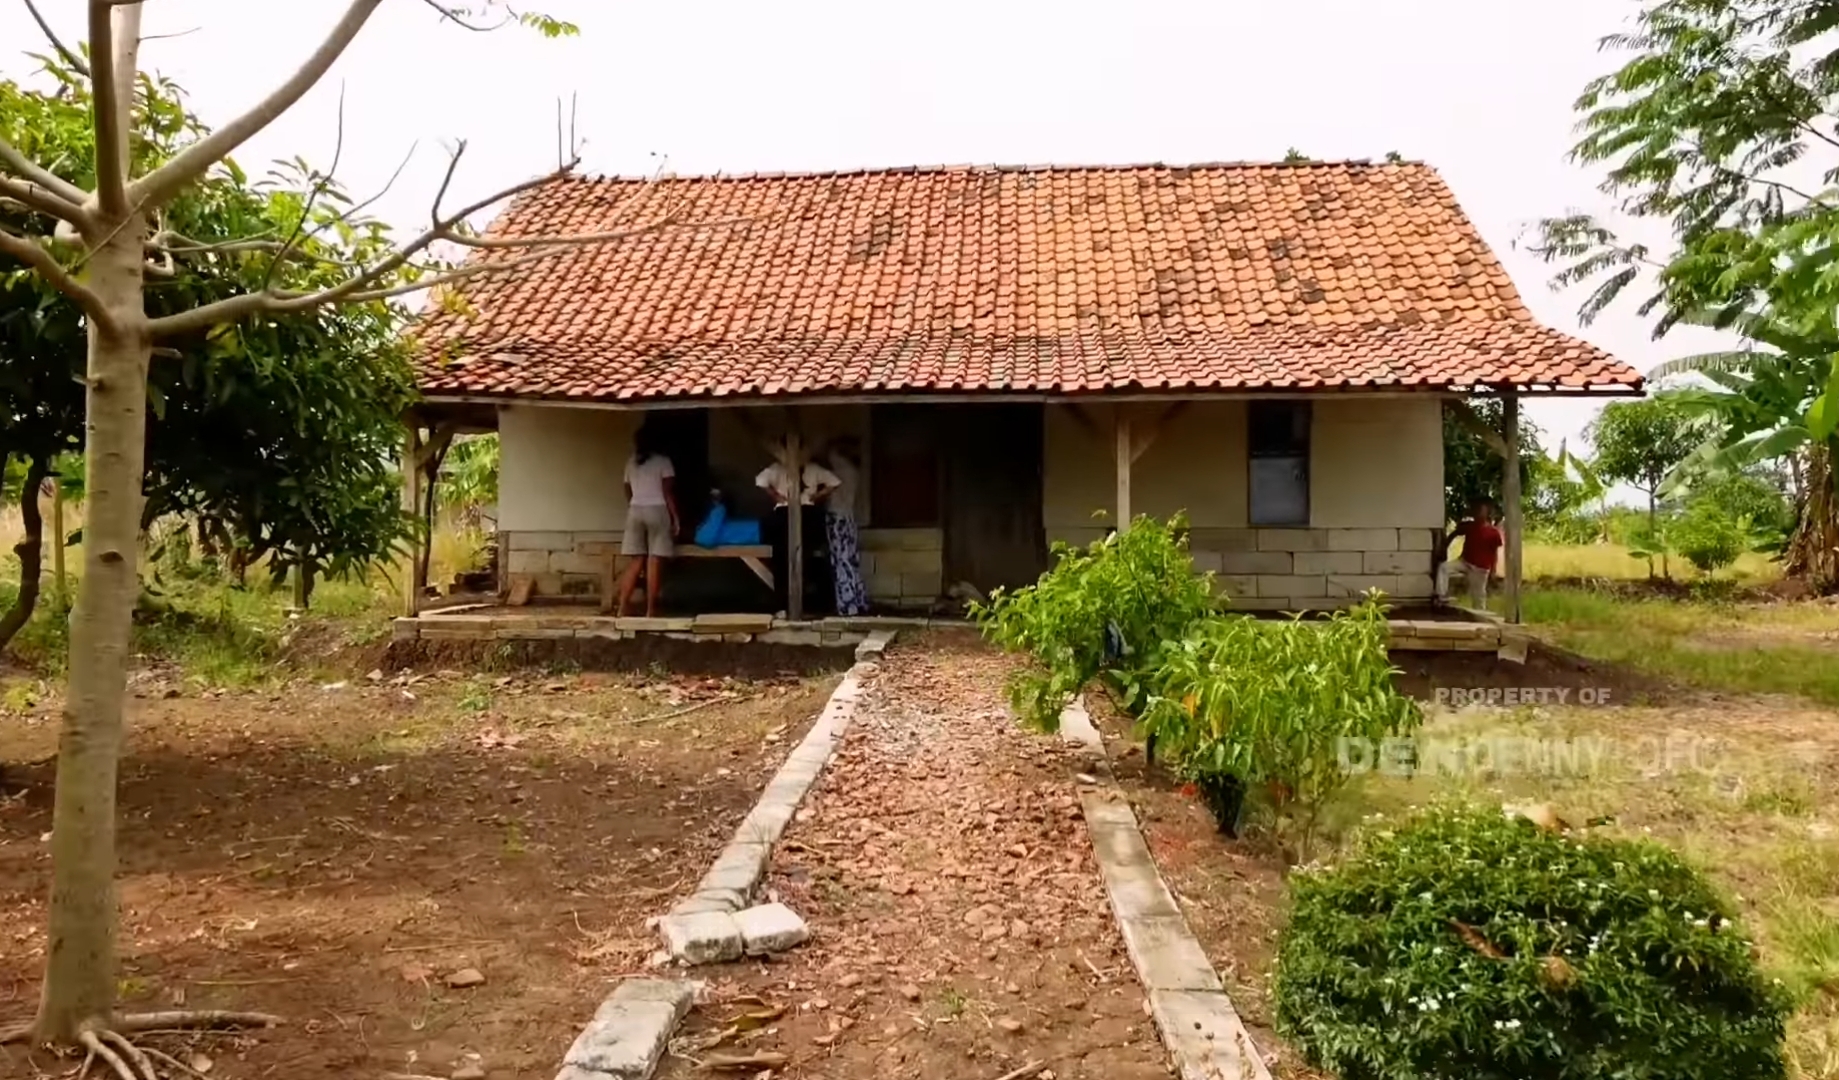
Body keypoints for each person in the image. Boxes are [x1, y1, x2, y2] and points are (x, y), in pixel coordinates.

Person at [756, 443, 841, 614]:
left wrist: (814, 496)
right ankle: (787, 602)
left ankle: (803, 602)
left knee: (800, 558)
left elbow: (834, 482)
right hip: (788, 513)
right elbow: (760, 481)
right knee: (786, 558)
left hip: (803, 512)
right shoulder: (778, 468)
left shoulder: (811, 468)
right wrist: (778, 496)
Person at [611, 423, 679, 617]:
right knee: (654, 561)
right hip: (657, 510)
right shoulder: (663, 462)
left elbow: (627, 488)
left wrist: (634, 503)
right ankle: (650, 610)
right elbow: (668, 493)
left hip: (635, 510)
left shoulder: (631, 462)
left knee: (636, 561)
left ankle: (623, 607)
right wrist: (676, 518)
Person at [820, 436, 868, 617]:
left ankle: (848, 605)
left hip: (837, 518)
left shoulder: (840, 468)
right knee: (850, 560)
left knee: (840, 560)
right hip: (849, 518)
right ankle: (858, 601)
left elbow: (831, 453)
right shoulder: (853, 470)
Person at [1436, 499, 1504, 609]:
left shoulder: (1493, 533)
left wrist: (1493, 570)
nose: (1477, 513)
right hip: (1465, 562)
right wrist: (1445, 547)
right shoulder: (1470, 526)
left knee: (1479, 595)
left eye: (1481, 511)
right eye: (1477, 510)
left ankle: (1480, 616)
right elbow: (1455, 533)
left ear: (1487, 513)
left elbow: (1494, 553)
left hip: (1480, 568)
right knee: (1444, 567)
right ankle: (1441, 596)